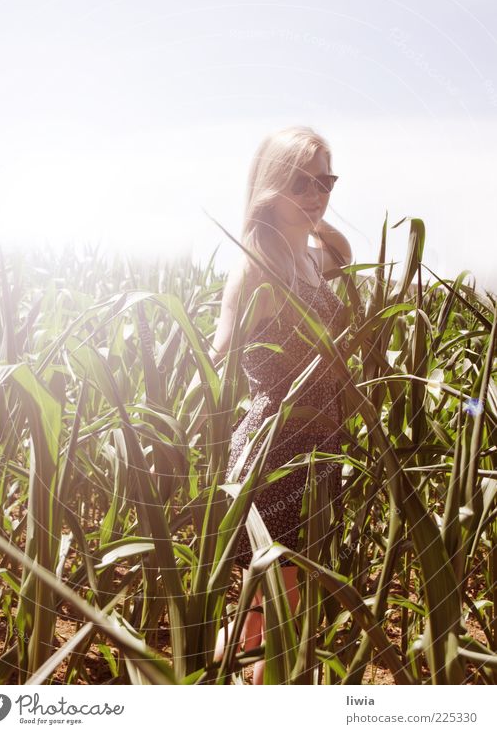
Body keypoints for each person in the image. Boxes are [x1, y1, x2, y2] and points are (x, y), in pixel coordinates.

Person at [211, 125, 352, 684]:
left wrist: (304, 215)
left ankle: (206, 673)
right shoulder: (256, 264)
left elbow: (342, 252)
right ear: (271, 185)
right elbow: (220, 352)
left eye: (326, 179)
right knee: (281, 616)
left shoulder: (317, 257)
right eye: (301, 181)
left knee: (259, 617)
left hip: (321, 446)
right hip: (277, 451)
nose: (317, 193)